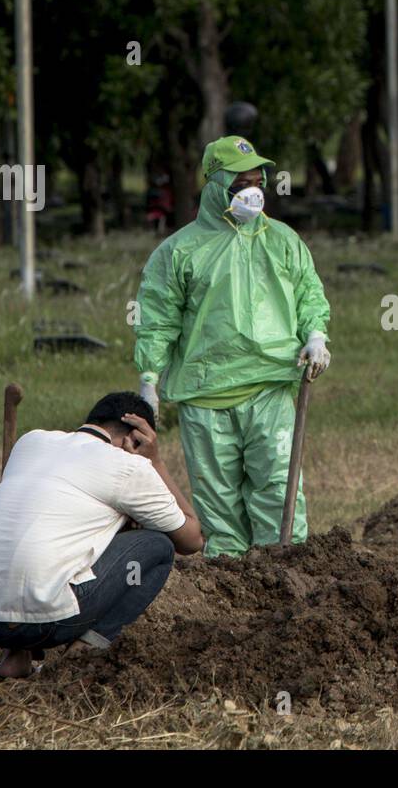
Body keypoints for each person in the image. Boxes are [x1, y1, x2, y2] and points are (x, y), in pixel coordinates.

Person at [134, 134, 331, 558]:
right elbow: (157, 319)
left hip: (271, 385)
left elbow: (309, 295)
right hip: (206, 395)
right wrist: (149, 381)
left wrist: (316, 336)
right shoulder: (179, 252)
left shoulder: (283, 241)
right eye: (240, 182)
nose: (252, 190)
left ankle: (285, 574)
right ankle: (232, 590)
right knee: (217, 501)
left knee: (278, 487)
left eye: (258, 180)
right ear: (215, 185)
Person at [0, 392, 203, 679]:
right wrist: (155, 462)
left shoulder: (30, 442)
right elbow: (192, 539)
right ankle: (79, 659)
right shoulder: (129, 467)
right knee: (157, 546)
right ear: (136, 438)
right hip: (39, 623)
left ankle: (14, 657)